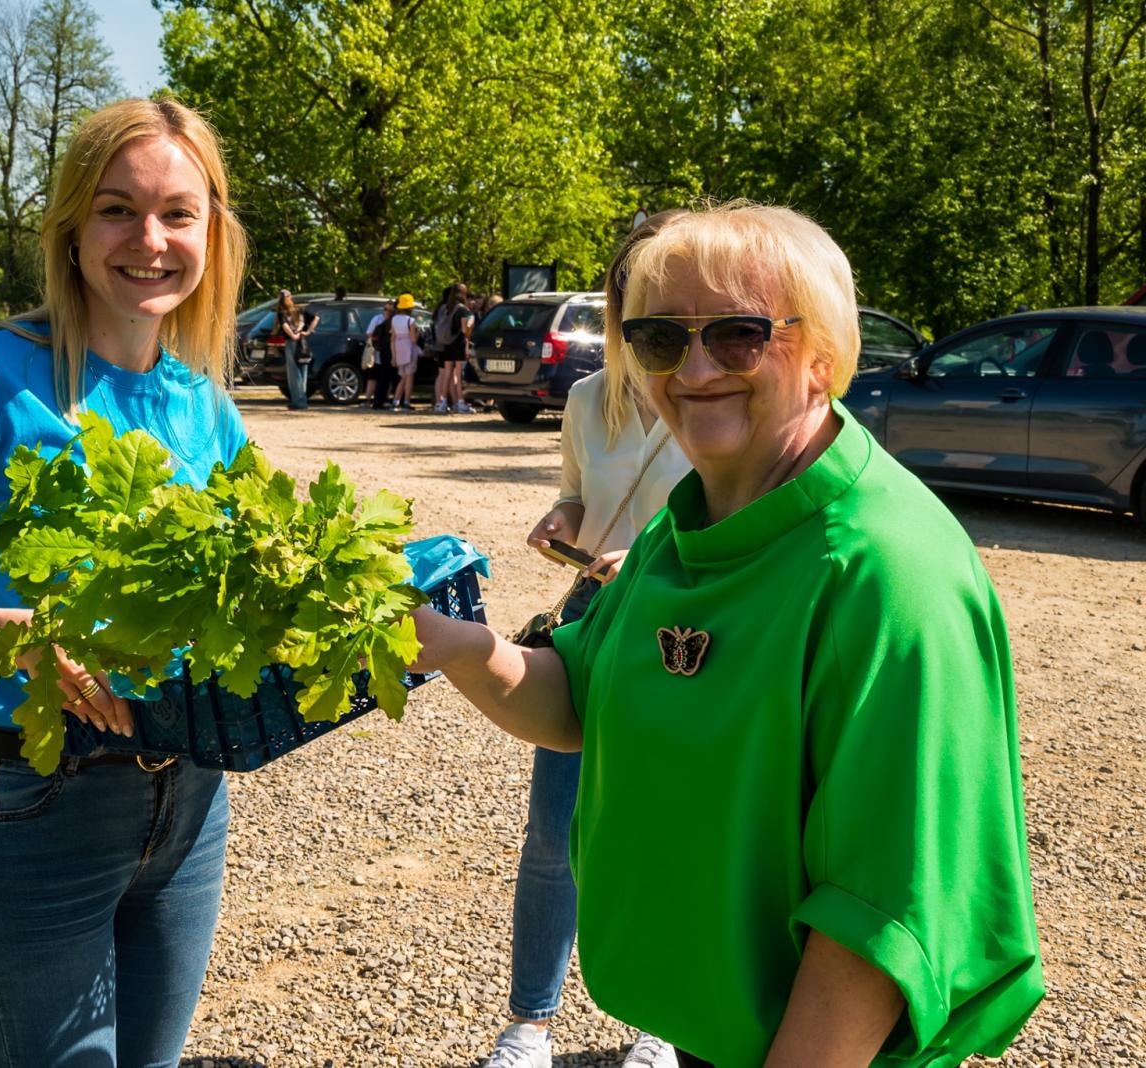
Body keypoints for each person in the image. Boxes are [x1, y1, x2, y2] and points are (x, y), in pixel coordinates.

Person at [415, 200, 1044, 1068]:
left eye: (740, 334)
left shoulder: (885, 568)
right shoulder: (692, 523)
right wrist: (458, 646)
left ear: (823, 355)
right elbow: (578, 699)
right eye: (661, 339)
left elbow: (878, 917)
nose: (695, 367)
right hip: (708, 1038)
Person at [0, 97, 249, 1068]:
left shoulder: (208, 410)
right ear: (68, 227)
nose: (148, 240)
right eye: (116, 209)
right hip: (35, 799)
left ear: (211, 234)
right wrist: (22, 639)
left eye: (177, 214)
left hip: (189, 799)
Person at [483, 213, 692, 1068]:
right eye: (635, 290)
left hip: (687, 640)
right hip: (593, 628)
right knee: (554, 832)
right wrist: (563, 518)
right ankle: (529, 1024)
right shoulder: (585, 398)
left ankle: (668, 1022)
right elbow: (576, 491)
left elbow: (752, 523)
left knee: (680, 833)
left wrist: (647, 554)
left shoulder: (720, 390)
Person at [432, 282, 475, 414]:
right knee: (458, 375)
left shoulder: (444, 308)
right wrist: (471, 323)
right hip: (458, 344)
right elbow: (464, 330)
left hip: (446, 344)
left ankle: (442, 402)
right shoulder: (463, 309)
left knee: (446, 374)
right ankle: (461, 403)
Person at [277, 289, 315, 410]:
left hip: (292, 343)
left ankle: (298, 402)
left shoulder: (282, 311)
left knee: (294, 373)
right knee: (303, 371)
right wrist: (307, 332)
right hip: (303, 342)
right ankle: (302, 401)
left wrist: (293, 336)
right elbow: (316, 318)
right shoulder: (299, 310)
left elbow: (284, 325)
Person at [361, 298, 395, 409]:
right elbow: (369, 333)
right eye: (385, 309)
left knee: (386, 377)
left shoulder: (394, 321)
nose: (387, 312)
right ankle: (368, 399)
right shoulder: (377, 319)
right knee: (373, 377)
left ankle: (384, 398)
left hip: (388, 353)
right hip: (376, 353)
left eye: (390, 310)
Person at [389, 292, 420, 411]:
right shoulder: (411, 321)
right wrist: (418, 333)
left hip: (398, 349)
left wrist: (393, 356)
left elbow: (392, 339)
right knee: (409, 377)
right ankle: (406, 401)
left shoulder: (394, 319)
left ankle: (396, 401)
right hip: (409, 349)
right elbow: (413, 339)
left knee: (402, 376)